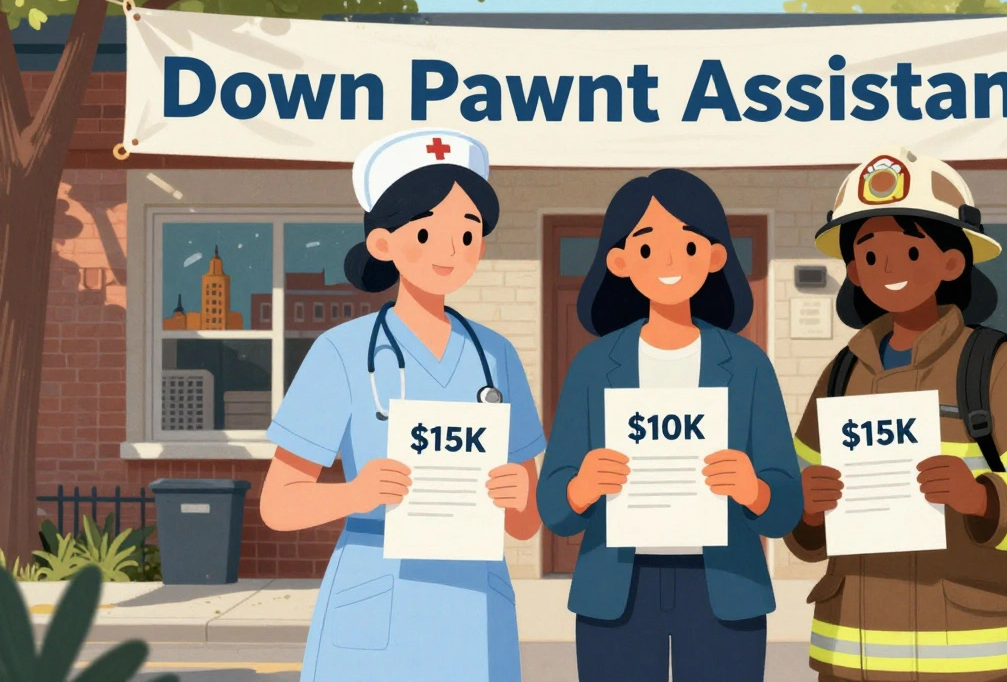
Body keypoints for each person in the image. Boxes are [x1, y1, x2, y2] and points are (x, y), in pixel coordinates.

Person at [786, 146, 1007, 682]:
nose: (888, 268)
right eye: (869, 254)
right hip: (852, 661)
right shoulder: (840, 376)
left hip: (980, 661)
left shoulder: (996, 368)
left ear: (953, 262)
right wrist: (807, 509)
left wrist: (983, 496)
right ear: (854, 270)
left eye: (910, 252)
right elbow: (799, 523)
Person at [258, 129, 544, 682]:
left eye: (468, 232)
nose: (451, 249)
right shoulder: (340, 353)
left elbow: (527, 525)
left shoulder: (497, 356)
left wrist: (519, 494)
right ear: (384, 243)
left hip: (475, 604)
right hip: (375, 592)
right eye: (428, 231)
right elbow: (278, 505)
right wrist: (356, 493)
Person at [537, 169, 803, 682]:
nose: (666, 260)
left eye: (685, 244)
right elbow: (554, 507)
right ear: (618, 261)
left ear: (714, 256)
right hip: (616, 588)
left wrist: (754, 491)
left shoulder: (747, 365)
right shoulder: (594, 366)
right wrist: (581, 488)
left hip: (724, 585)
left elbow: (786, 507)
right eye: (646, 247)